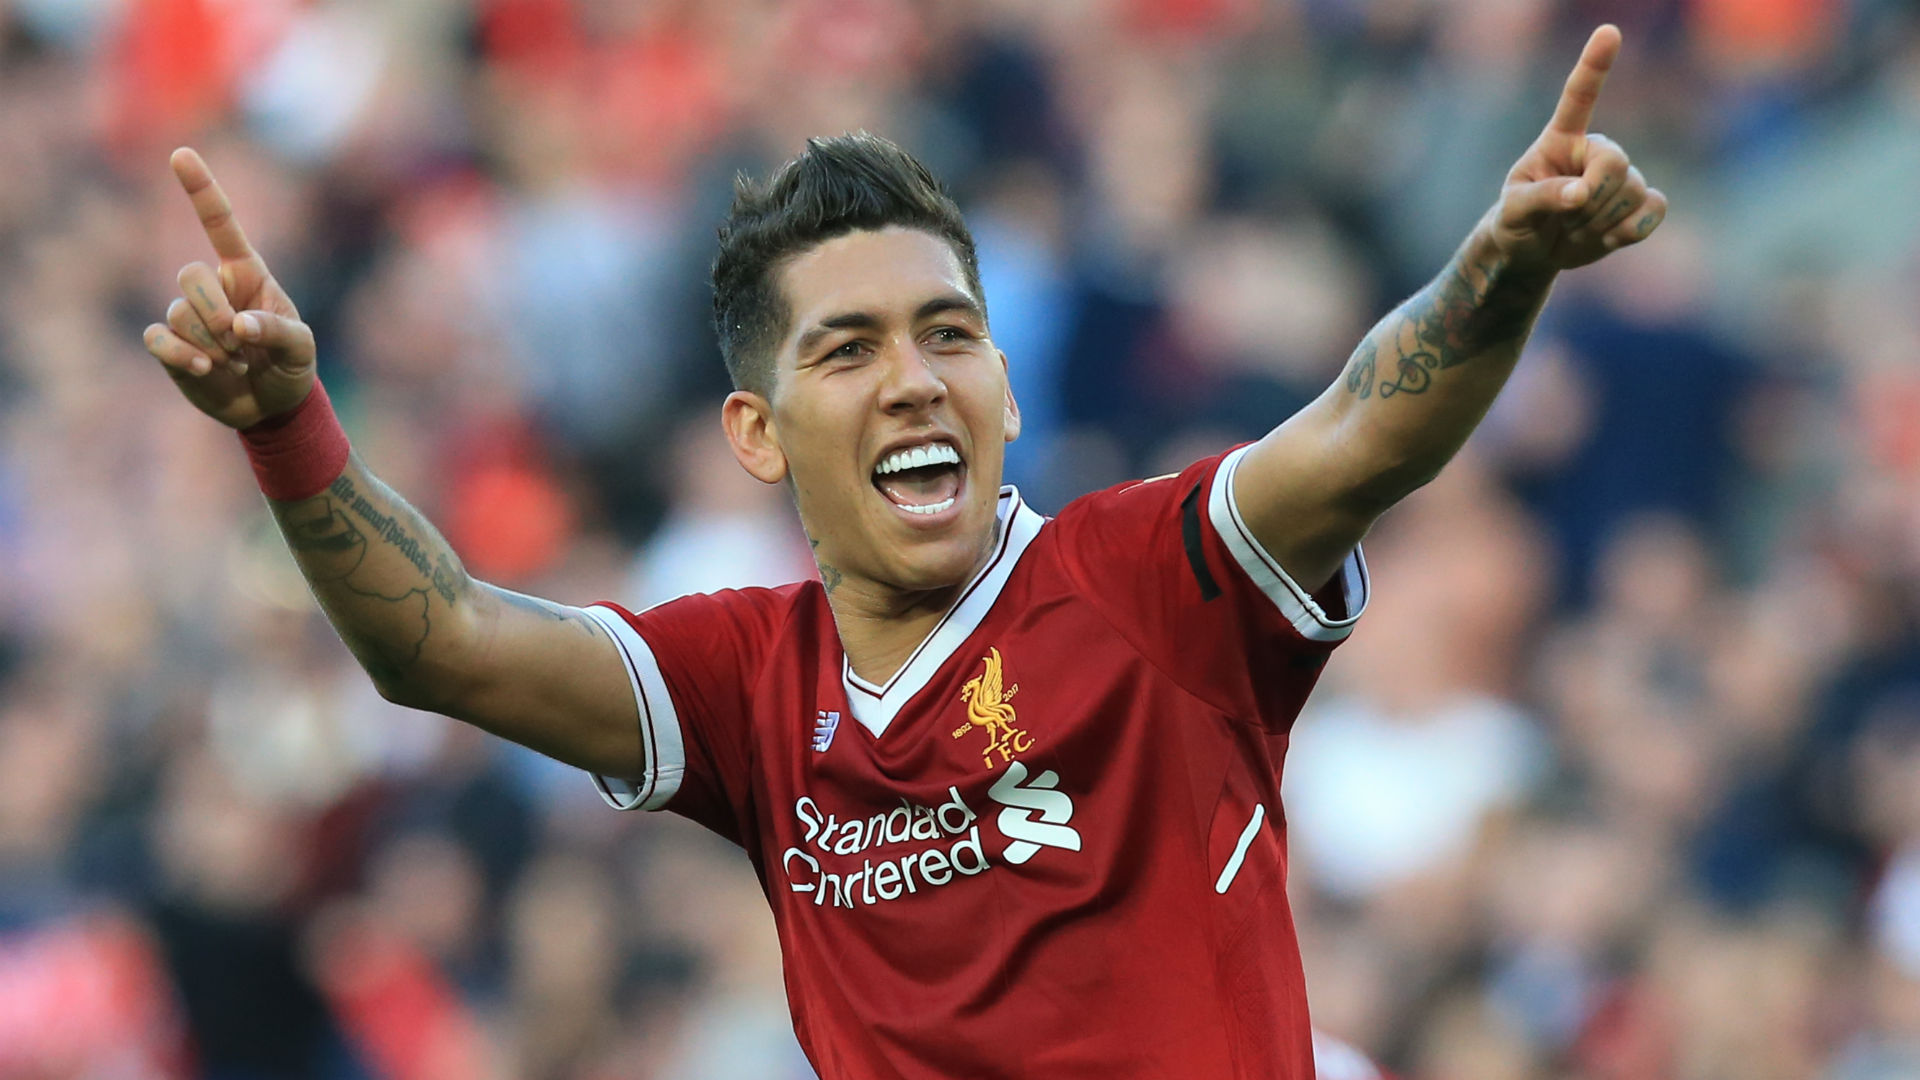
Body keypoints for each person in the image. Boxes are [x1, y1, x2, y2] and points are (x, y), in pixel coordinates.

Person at [142, 25, 1663, 1079]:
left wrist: (1504, 260)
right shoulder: (747, 680)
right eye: (850, 348)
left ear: (1006, 385)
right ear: (758, 434)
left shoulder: (1145, 584)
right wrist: (286, 422)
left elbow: (1364, 431)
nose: (917, 380)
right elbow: (441, 643)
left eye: (950, 334)